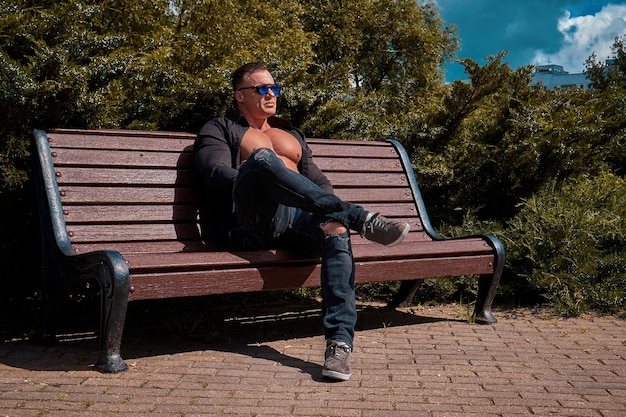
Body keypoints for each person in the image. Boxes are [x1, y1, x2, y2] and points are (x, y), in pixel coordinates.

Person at [193, 62, 410, 381]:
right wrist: (260, 174)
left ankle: (339, 344)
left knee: (335, 228)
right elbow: (214, 174)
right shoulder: (221, 128)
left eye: (274, 88)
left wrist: (328, 208)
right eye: (261, 88)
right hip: (253, 221)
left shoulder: (290, 134)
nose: (270, 94)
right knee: (263, 159)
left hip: (297, 223)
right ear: (240, 95)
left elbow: (318, 181)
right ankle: (360, 218)